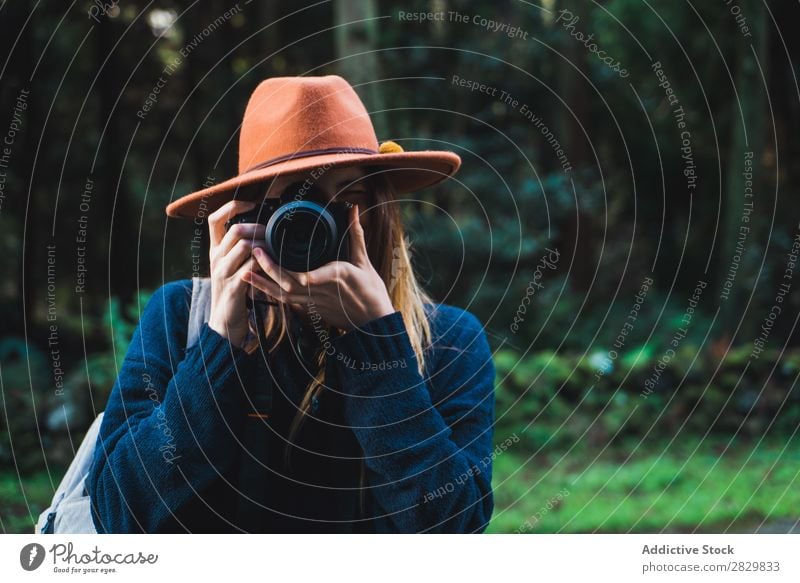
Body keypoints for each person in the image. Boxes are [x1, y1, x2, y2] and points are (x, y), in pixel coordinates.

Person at [87, 75, 496, 533]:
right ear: (247, 218)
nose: (315, 223)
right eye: (292, 203)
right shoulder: (182, 316)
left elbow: (454, 528)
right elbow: (118, 514)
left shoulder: (449, 342)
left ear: (381, 211)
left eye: (347, 197)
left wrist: (378, 346)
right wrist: (220, 340)